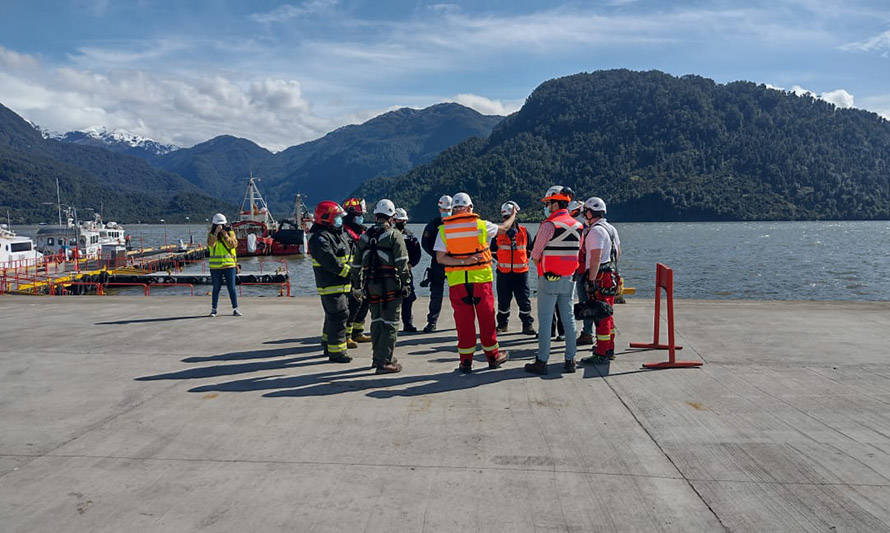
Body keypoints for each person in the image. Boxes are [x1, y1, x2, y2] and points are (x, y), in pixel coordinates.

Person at [435, 192, 513, 373]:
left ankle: (466, 362)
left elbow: (441, 258)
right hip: (481, 280)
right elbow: (503, 229)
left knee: (464, 322)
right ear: (470, 208)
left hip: (458, 283)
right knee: (486, 319)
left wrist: (463, 261)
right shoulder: (481, 225)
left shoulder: (444, 230)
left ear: (453, 209)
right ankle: (493, 357)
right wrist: (513, 216)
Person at [525, 186, 583, 375]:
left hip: (548, 278)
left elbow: (535, 253)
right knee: (569, 319)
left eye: (549, 203)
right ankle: (570, 360)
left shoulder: (549, 225)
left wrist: (542, 267)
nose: (547, 207)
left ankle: (542, 361)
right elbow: (578, 252)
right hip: (569, 279)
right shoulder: (578, 226)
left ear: (556, 203)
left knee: (545, 319)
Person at [352, 200, 410, 374]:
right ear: (392, 218)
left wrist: (357, 287)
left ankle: (377, 357)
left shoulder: (364, 236)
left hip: (370, 286)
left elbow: (356, 265)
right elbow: (402, 263)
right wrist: (406, 283)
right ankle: (385, 362)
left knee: (377, 321)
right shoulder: (394, 235)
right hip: (390, 285)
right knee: (391, 323)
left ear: (375, 216)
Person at [308, 201, 353, 363]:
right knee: (339, 315)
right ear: (326, 219)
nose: (340, 220)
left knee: (332, 316)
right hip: (330, 285)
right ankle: (337, 352)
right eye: (337, 217)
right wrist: (350, 272)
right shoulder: (319, 239)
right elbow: (330, 261)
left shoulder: (337, 233)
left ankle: (327, 343)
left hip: (341, 284)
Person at [579, 197, 620, 365]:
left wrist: (591, 280)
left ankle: (601, 352)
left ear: (590, 212)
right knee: (608, 314)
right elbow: (618, 252)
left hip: (600, 276)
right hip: (610, 274)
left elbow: (595, 258)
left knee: (600, 316)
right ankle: (609, 348)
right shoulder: (611, 229)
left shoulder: (595, 231)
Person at [491, 201, 536, 335]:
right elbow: (492, 251)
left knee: (524, 300)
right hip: (504, 273)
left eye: (507, 217)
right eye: (505, 218)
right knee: (503, 301)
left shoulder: (523, 232)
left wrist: (522, 260)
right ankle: (502, 324)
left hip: (521, 273)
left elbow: (531, 249)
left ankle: (527, 325)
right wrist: (503, 260)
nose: (506, 220)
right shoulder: (498, 233)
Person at [420, 195, 452, 333]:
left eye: (448, 209)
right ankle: (432, 322)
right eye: (443, 209)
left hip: (455, 263)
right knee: (436, 294)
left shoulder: (457, 224)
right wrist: (437, 255)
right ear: (439, 209)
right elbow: (425, 243)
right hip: (438, 263)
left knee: (461, 294)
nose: (446, 211)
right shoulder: (433, 224)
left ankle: (464, 322)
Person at [342, 197, 371, 347]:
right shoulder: (344, 233)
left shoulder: (363, 230)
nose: (361, 218)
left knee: (364, 301)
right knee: (352, 304)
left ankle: (358, 332)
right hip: (351, 274)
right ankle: (347, 335)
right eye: (359, 215)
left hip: (364, 272)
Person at [207, 213, 242, 317]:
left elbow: (234, 244)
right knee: (216, 288)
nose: (221, 226)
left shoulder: (230, 233)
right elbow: (210, 244)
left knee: (231, 288)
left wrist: (225, 234)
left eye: (222, 225)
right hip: (215, 267)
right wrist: (216, 233)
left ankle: (235, 309)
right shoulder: (211, 235)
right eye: (219, 225)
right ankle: (214, 309)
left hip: (229, 265)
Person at [394, 208, 422, 332]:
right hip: (390, 272)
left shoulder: (410, 236)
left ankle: (408, 323)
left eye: (404, 220)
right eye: (400, 220)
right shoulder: (388, 234)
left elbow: (417, 253)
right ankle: (391, 324)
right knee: (391, 299)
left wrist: (411, 264)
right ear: (394, 220)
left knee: (408, 297)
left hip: (406, 271)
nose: (403, 222)